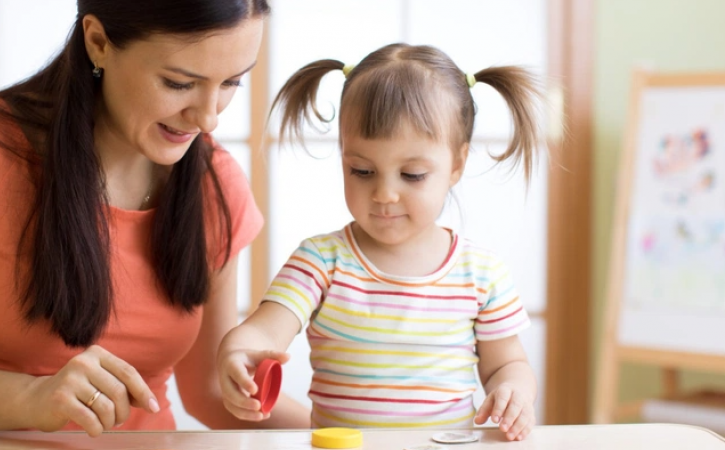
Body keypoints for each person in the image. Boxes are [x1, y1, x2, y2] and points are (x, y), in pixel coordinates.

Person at [0, 0, 311, 437]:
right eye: (178, 83)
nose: (208, 119)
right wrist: (32, 397)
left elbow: (209, 391)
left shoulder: (214, 182)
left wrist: (342, 433)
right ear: (98, 42)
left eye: (232, 83)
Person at [217, 43, 543, 441]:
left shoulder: (481, 272)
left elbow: (506, 365)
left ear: (457, 164)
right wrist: (238, 352)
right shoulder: (320, 261)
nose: (385, 194)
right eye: (362, 170)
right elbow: (264, 333)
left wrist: (514, 391)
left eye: (412, 175)